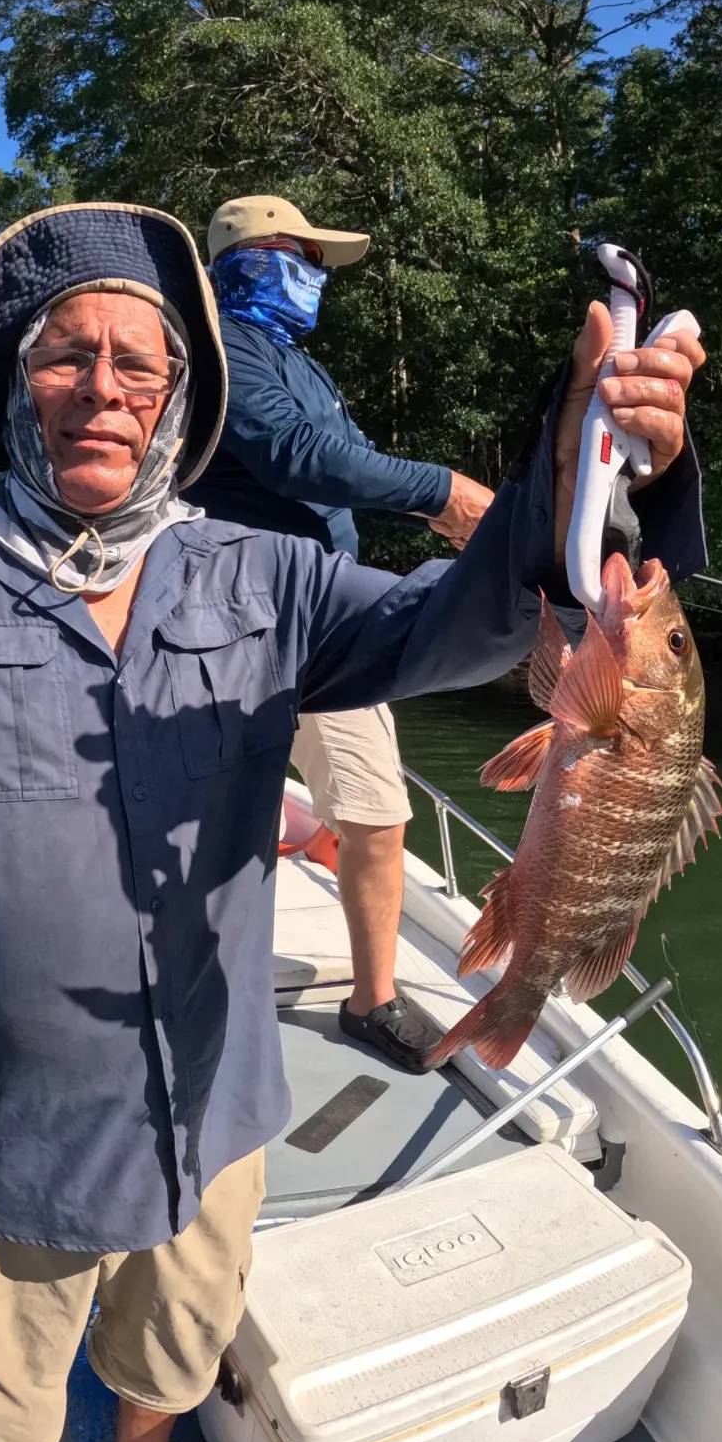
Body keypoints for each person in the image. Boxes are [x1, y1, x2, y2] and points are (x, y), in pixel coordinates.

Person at [0, 201, 705, 1442]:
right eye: (69, 354)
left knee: (174, 1344)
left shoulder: (257, 578)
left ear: (185, 395)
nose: (107, 385)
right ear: (11, 376)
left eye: (144, 360)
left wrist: (587, 454)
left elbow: (456, 625)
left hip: (211, 1110)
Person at [191, 197, 480, 1070]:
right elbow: (294, 458)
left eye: (318, 260)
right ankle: (187, 999)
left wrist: (427, 506)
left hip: (329, 619)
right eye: (298, 255)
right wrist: (442, 491)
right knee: (198, 826)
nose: (314, 274)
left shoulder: (295, 363)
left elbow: (341, 457)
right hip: (228, 620)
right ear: (242, 259)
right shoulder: (215, 352)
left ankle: (373, 1002)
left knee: (378, 814)